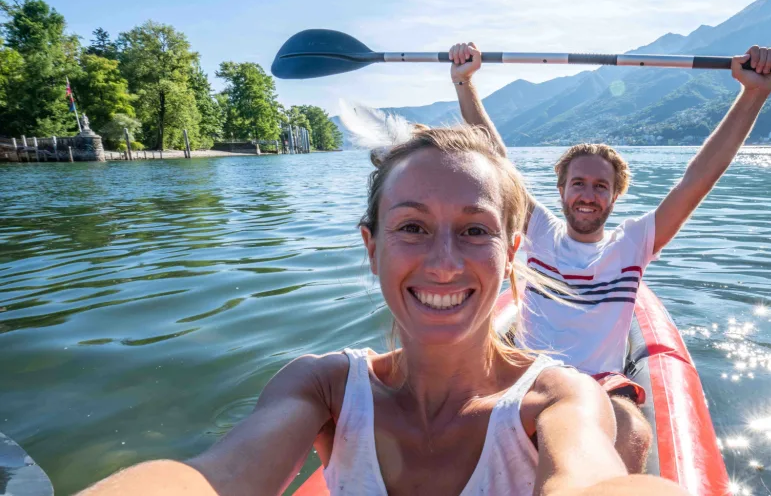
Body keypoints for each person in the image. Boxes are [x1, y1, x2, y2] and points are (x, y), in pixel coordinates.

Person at [80, 126, 687, 496]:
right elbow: (220, 478)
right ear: (372, 249)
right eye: (412, 227)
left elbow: (587, 481)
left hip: (591, 377)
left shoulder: (562, 401)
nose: (444, 262)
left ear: (512, 258)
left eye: (475, 230)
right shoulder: (321, 387)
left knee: (628, 428)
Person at [447, 41, 771, 473]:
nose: (588, 195)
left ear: (615, 195)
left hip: (602, 386)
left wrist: (752, 95)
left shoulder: (633, 243)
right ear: (562, 190)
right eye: (579, 183)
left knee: (631, 428)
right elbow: (496, 158)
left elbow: (699, 177)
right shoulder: (540, 232)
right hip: (530, 377)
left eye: (600, 186)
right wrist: (464, 82)